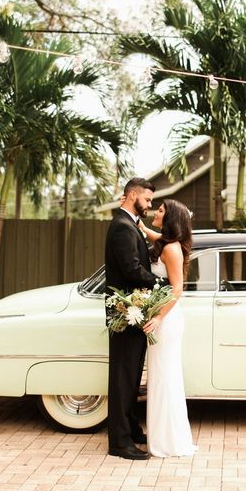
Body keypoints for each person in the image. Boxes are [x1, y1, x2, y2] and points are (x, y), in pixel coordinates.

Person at [138, 199, 198, 457]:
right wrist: (141, 226)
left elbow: (177, 289)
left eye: (161, 210)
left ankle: (168, 441)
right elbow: (156, 237)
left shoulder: (172, 250)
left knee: (165, 377)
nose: (156, 211)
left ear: (170, 218)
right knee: (161, 375)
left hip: (167, 319)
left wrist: (159, 317)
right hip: (164, 317)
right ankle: (164, 437)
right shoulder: (167, 243)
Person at [105, 177, 158, 460]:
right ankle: (119, 442)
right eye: (147, 199)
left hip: (133, 313)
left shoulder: (131, 225)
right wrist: (160, 283)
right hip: (124, 314)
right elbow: (131, 270)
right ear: (132, 195)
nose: (149, 205)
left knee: (132, 376)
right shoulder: (122, 227)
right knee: (122, 379)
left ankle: (131, 429)